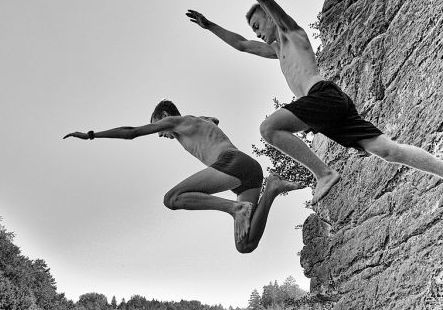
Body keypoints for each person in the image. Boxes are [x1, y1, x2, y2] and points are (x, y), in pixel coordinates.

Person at [187, 0, 443, 207]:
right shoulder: (276, 51)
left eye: (258, 26)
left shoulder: (291, 33)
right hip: (331, 105)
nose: (257, 33)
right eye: (254, 30)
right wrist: (210, 26)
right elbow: (240, 44)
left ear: (271, 19)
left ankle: (324, 173)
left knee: (269, 129)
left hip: (321, 95)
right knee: (386, 149)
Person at [64, 100, 301, 252]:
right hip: (248, 175)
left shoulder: (177, 121)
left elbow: (132, 133)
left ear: (165, 115)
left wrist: (91, 135)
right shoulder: (197, 122)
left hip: (233, 163)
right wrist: (206, 119)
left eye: (157, 126)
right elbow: (214, 119)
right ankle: (271, 189)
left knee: (172, 199)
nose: (159, 134)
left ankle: (234, 209)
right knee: (245, 244)